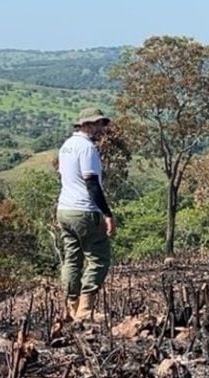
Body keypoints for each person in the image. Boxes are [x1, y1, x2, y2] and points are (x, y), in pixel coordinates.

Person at [56, 107, 114, 322]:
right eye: (98, 124)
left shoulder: (66, 147)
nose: (101, 128)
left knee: (72, 259)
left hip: (64, 209)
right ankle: (85, 310)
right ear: (87, 125)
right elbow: (91, 183)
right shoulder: (87, 148)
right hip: (84, 210)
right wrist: (107, 213)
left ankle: (72, 307)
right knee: (99, 258)